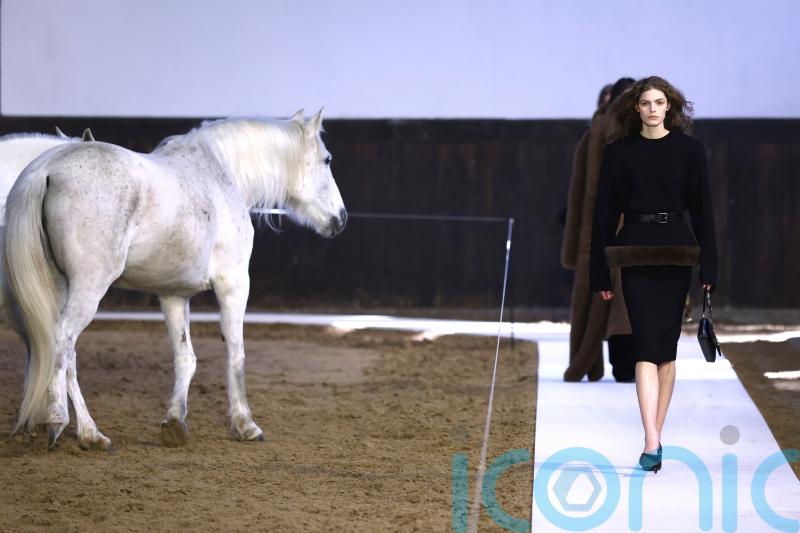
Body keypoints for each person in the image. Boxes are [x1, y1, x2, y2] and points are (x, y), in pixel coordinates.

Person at [590, 76, 718, 473]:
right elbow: (604, 215)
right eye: (645, 102)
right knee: (645, 345)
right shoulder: (619, 153)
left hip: (677, 252)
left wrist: (709, 265)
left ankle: (655, 436)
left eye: (659, 102)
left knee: (666, 350)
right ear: (636, 109)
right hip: (637, 252)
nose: (652, 109)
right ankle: (650, 437)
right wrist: (599, 270)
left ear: (670, 107)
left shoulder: (690, 151)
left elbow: (704, 211)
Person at [561, 77, 636, 383]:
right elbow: (578, 195)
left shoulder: (598, 136)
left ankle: (595, 365)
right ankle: (616, 366)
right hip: (618, 233)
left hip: (609, 234)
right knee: (621, 304)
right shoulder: (599, 137)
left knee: (617, 304)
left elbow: (578, 196)